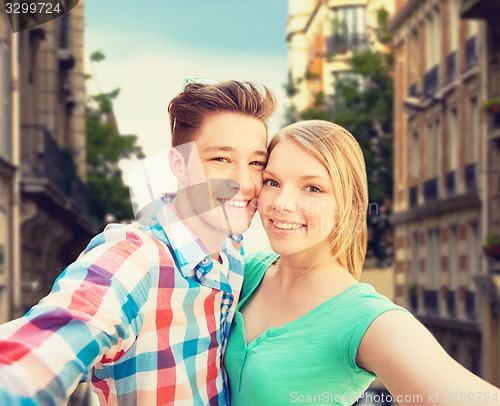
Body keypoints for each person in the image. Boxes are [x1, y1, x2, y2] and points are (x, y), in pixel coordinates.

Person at [0, 79, 276, 405]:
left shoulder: (233, 256)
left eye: (256, 163)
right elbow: (42, 350)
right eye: (220, 159)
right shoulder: (135, 257)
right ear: (179, 165)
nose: (244, 183)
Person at [224, 120, 500, 405]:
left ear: (349, 204)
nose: (281, 202)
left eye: (313, 188)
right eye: (272, 182)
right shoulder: (242, 271)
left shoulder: (366, 319)